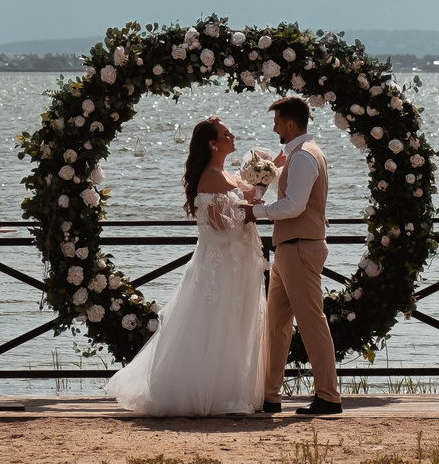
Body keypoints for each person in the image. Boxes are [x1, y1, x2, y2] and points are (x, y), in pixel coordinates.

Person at [105, 118, 267, 416]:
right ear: (213, 144)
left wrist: (263, 181)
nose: (233, 136)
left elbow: (246, 197)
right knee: (219, 323)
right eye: (225, 133)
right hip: (222, 265)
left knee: (231, 322)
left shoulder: (223, 173)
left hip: (231, 261)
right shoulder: (213, 177)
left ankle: (230, 390)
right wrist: (252, 213)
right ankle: (219, 394)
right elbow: (220, 228)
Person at [251, 96, 342, 416]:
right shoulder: (299, 155)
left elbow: (294, 205)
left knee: (311, 321)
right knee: (276, 323)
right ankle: (270, 394)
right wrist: (272, 169)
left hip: (301, 247)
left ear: (291, 125)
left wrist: (255, 211)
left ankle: (329, 396)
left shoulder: (304, 157)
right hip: (288, 248)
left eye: (277, 123)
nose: (274, 128)